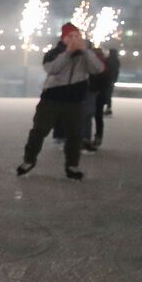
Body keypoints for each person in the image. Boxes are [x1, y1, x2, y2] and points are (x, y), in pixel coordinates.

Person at [18, 23, 104, 180]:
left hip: (75, 101)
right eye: (70, 36)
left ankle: (72, 165)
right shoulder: (54, 53)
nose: (74, 39)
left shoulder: (86, 55)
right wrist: (68, 52)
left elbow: (98, 69)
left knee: (75, 135)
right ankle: (28, 160)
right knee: (39, 130)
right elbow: (53, 69)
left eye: (77, 36)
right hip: (52, 98)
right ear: (63, 38)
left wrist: (86, 51)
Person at [101, 47, 120, 117]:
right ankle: (108, 108)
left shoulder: (107, 60)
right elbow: (116, 72)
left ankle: (103, 108)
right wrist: (114, 80)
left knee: (104, 94)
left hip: (105, 79)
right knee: (108, 95)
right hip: (111, 80)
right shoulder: (116, 61)